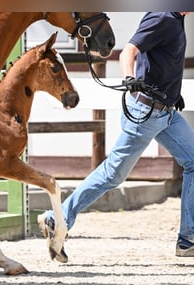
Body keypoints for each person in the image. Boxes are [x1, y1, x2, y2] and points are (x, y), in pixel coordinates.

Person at [38, 12, 193, 262]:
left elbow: (161, 60)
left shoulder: (176, 18)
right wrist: (129, 78)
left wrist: (173, 92)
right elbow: (128, 51)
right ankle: (57, 217)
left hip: (166, 112)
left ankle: (188, 239)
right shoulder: (161, 16)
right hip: (147, 112)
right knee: (113, 174)